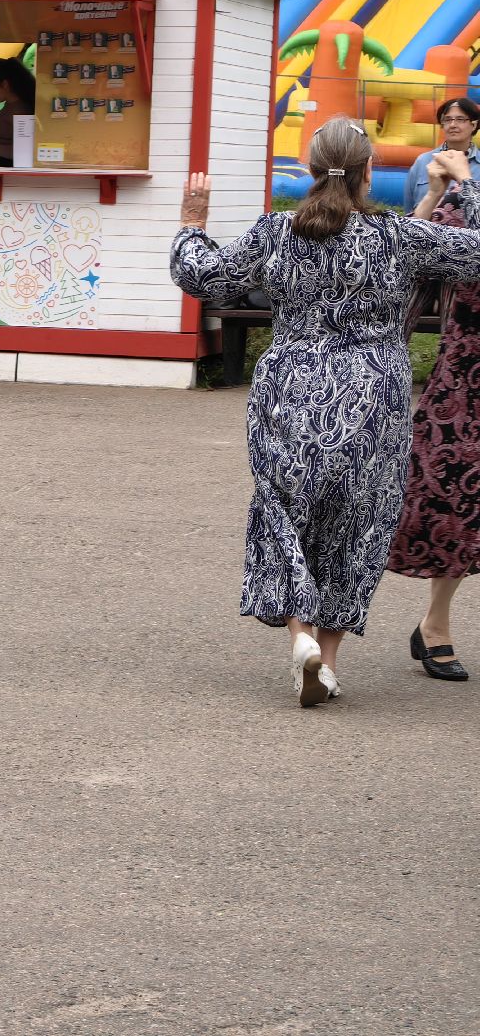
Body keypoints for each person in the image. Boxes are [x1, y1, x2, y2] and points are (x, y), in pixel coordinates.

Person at [170, 117, 480, 707]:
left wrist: (192, 222)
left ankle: (302, 638)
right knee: (357, 523)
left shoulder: (276, 231)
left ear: (311, 171)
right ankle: (328, 665)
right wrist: (465, 186)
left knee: (283, 510)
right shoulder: (396, 236)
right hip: (374, 392)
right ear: (368, 172)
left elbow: (202, 276)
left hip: (291, 386)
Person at [386, 150, 480, 682]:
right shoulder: (464, 206)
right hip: (467, 378)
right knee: (455, 502)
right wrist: (440, 194)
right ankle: (436, 624)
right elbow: (402, 255)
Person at [402, 97, 480, 214]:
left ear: (474, 125)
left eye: (460, 119)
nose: (452, 125)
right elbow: (408, 211)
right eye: (447, 120)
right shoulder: (423, 161)